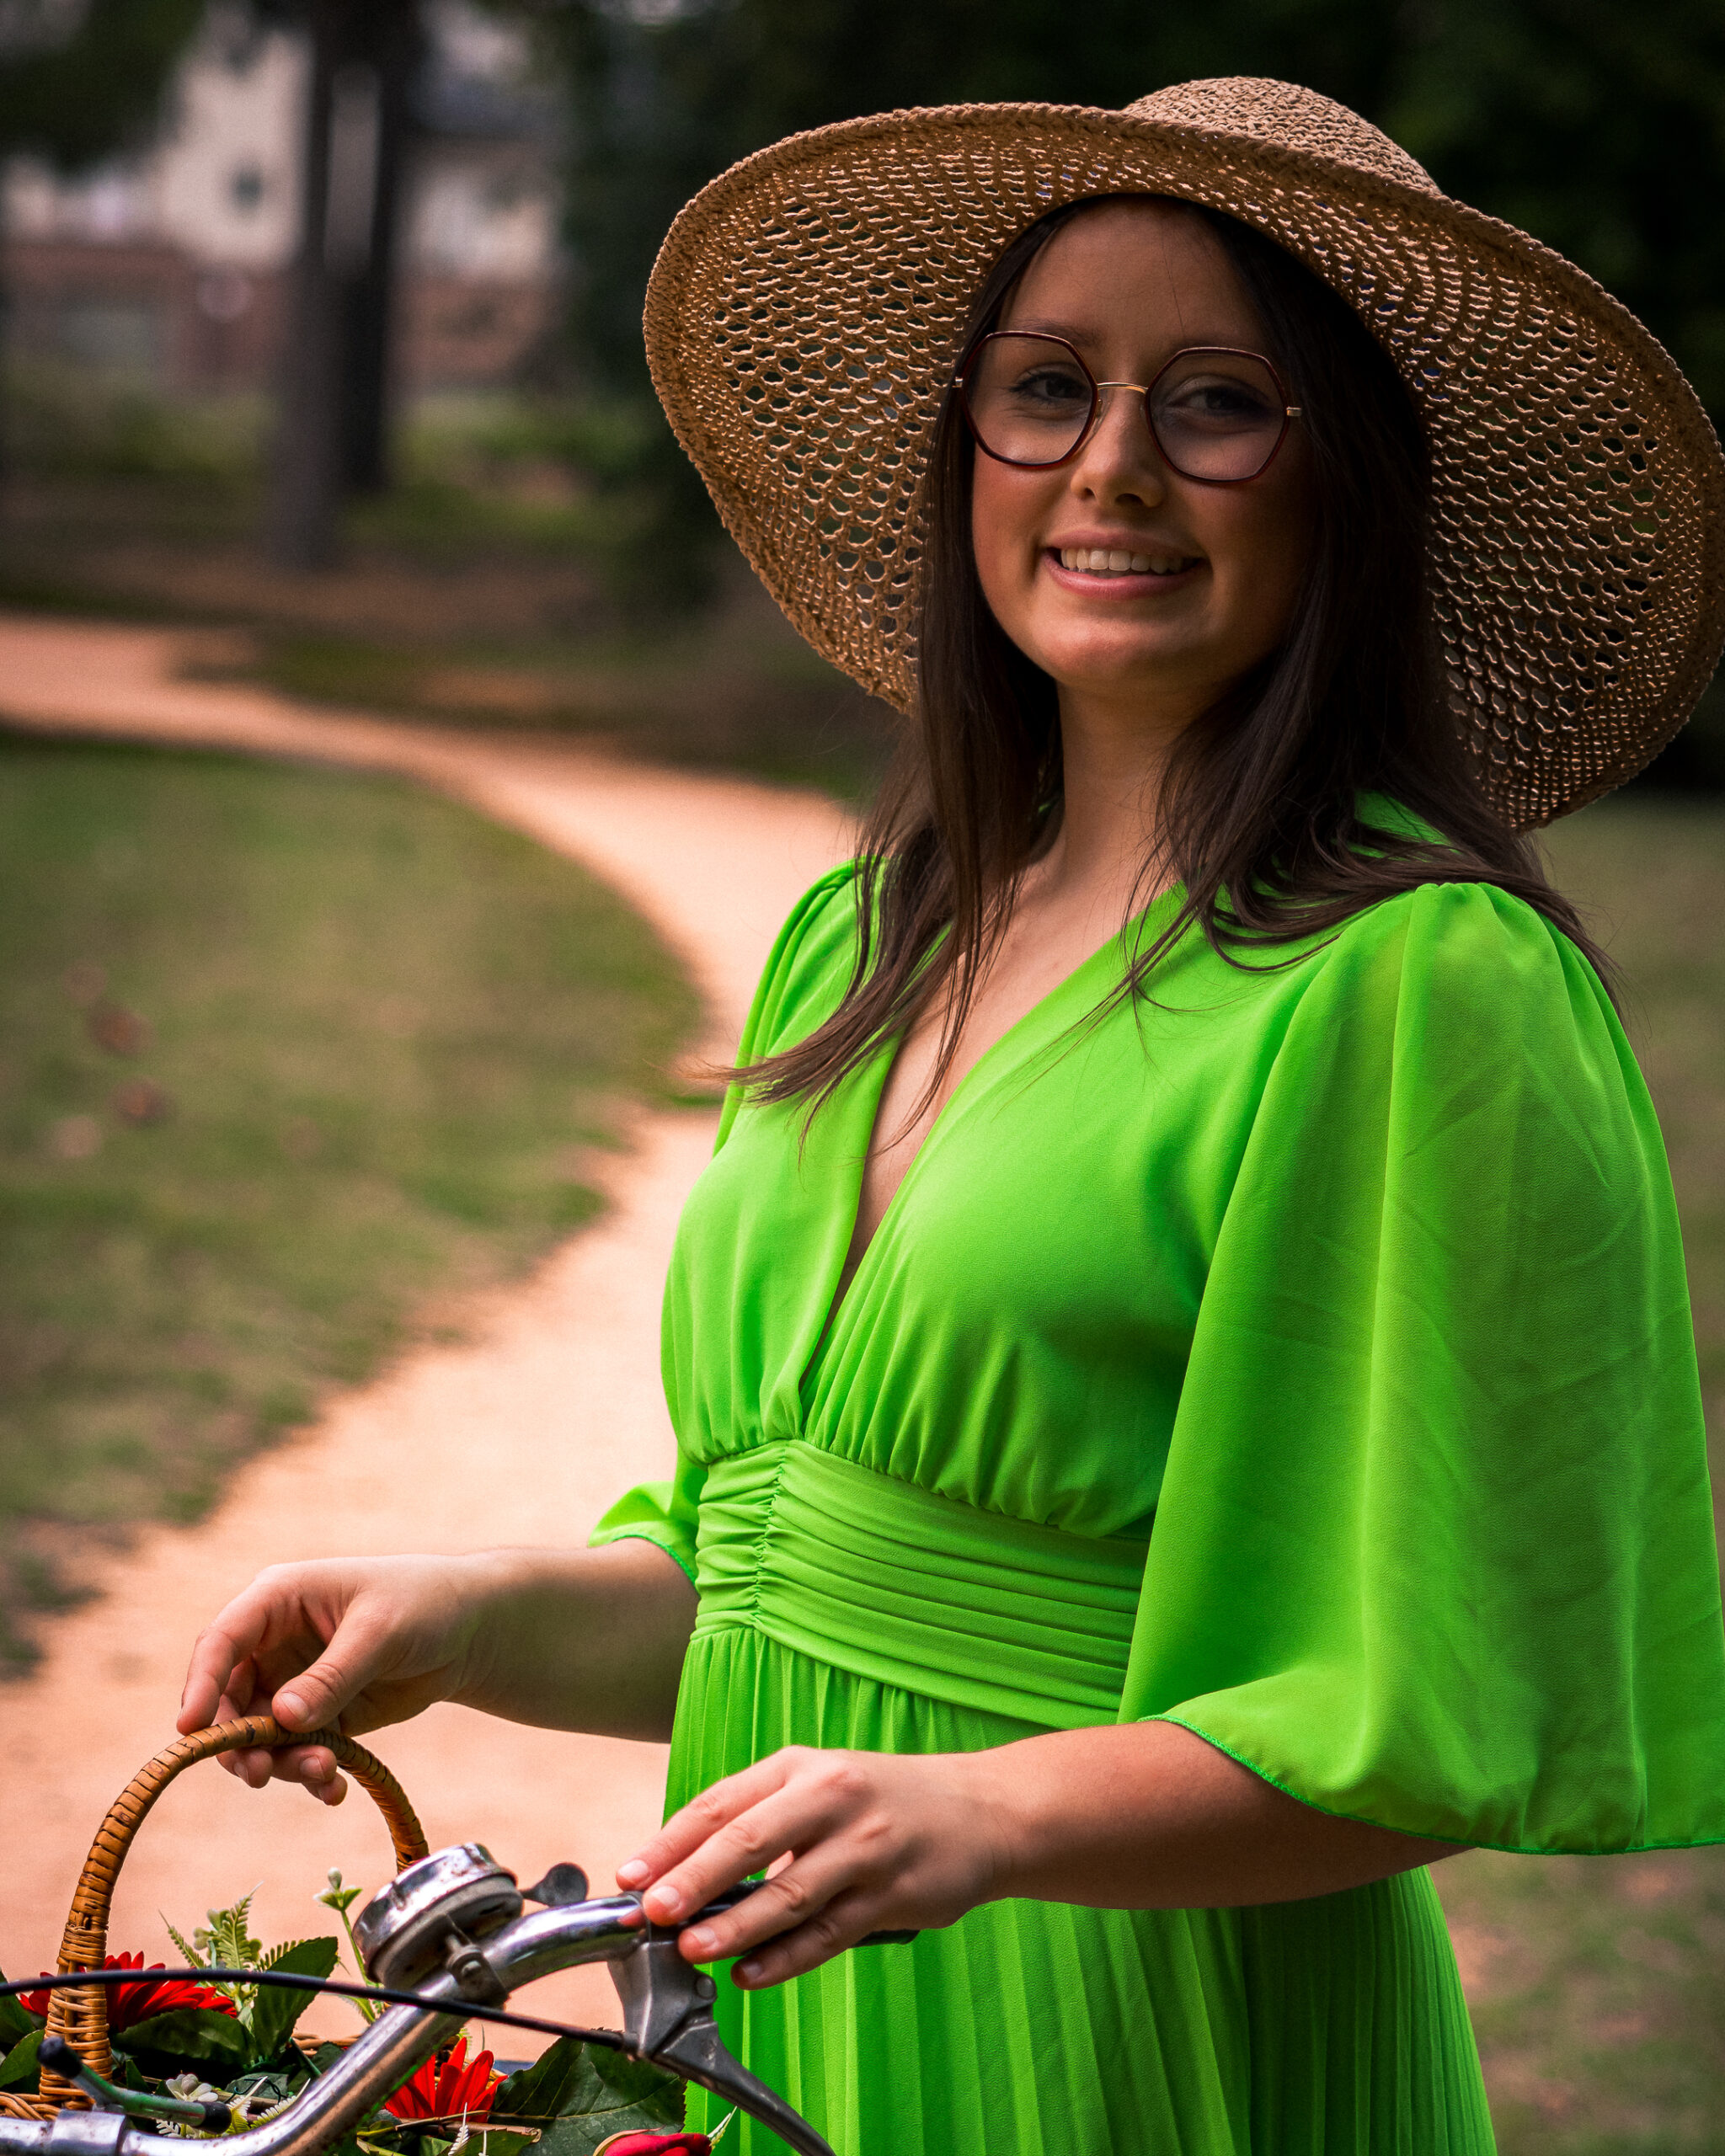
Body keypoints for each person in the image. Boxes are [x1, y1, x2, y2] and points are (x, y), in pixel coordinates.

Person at [179, 77, 1725, 2156]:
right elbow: (809, 1586)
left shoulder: (1423, 990)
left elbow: (1423, 1736)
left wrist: (984, 1817)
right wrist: (461, 1617)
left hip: (1139, 2039)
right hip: (772, 2024)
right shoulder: (869, 935)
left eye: (1217, 401)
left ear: (1345, 479)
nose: (1111, 465)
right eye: (1046, 387)